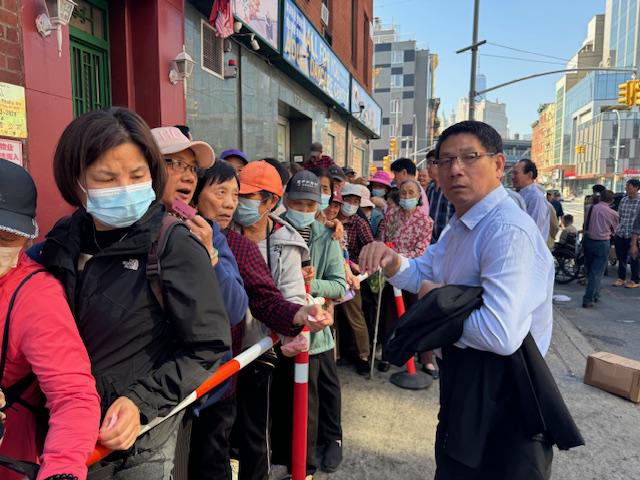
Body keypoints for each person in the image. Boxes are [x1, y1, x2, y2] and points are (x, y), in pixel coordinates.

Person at [38, 107, 231, 478]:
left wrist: (140, 401)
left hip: (140, 446)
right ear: (76, 182)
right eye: (106, 178)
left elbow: (209, 345)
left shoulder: (174, 244)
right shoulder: (61, 241)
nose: (125, 188)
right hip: (62, 436)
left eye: (137, 175)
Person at [359, 121, 557, 479]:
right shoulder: (461, 224)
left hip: (503, 390)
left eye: (469, 157)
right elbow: (424, 269)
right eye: (446, 160)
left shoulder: (506, 229)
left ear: (498, 164)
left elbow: (499, 333)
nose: (455, 169)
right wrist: (392, 261)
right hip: (468, 379)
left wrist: (436, 301)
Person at [190, 160, 328, 480]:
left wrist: (297, 314)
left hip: (250, 354)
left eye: (237, 195)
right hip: (192, 372)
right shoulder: (181, 233)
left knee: (247, 432)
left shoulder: (240, 245)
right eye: (222, 193)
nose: (232, 203)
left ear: (270, 202)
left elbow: (264, 299)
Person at [0, 159, 101, 480]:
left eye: (7, 237)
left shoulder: (36, 296)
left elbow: (73, 395)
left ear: (27, 239)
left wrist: (62, 469)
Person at [271, 171, 347, 476]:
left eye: (310, 205)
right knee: (283, 400)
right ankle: (283, 457)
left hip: (315, 337)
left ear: (318, 205)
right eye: (297, 203)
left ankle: (307, 463)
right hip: (279, 332)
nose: (303, 210)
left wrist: (309, 285)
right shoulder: (271, 230)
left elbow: (339, 285)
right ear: (285, 200)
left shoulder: (327, 236)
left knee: (312, 402)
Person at [377, 178, 433, 373]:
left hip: (415, 272)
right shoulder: (391, 216)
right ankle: (387, 355)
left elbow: (421, 250)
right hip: (391, 272)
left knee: (417, 315)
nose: (406, 196)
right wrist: (388, 256)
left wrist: (397, 258)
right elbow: (383, 239)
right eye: (403, 193)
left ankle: (423, 358)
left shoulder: (426, 221)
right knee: (389, 316)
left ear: (418, 196)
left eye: (411, 193)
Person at [335, 182, 373, 374]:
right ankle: (334, 355)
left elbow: (369, 245)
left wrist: (359, 265)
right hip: (330, 273)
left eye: (355, 201)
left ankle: (363, 355)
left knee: (355, 315)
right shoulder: (330, 216)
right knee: (331, 318)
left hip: (351, 277)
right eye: (347, 199)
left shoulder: (359, 222)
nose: (350, 204)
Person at [582, 190, 619, 307]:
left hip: (588, 240)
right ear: (611, 200)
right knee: (597, 271)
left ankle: (595, 294)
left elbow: (585, 223)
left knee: (589, 269)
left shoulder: (589, 208)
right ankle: (589, 298)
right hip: (602, 242)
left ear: (600, 197)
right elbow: (615, 230)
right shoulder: (613, 213)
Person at [510, 159, 550, 240]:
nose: (512, 177)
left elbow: (534, 229)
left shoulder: (536, 198)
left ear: (529, 175)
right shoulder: (519, 194)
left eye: (516, 173)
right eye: (512, 173)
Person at [612, 179, 640, 288]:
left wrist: (635, 239)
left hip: (634, 235)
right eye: (626, 186)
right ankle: (621, 278)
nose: (626, 188)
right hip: (620, 233)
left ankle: (634, 280)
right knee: (621, 257)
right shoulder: (623, 200)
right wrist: (616, 230)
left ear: (636, 188)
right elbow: (618, 216)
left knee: (634, 257)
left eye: (629, 186)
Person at [425, 150, 455, 243]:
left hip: (448, 241)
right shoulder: (430, 188)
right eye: (427, 163)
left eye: (430, 163)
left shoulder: (452, 187)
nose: (427, 167)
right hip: (430, 241)